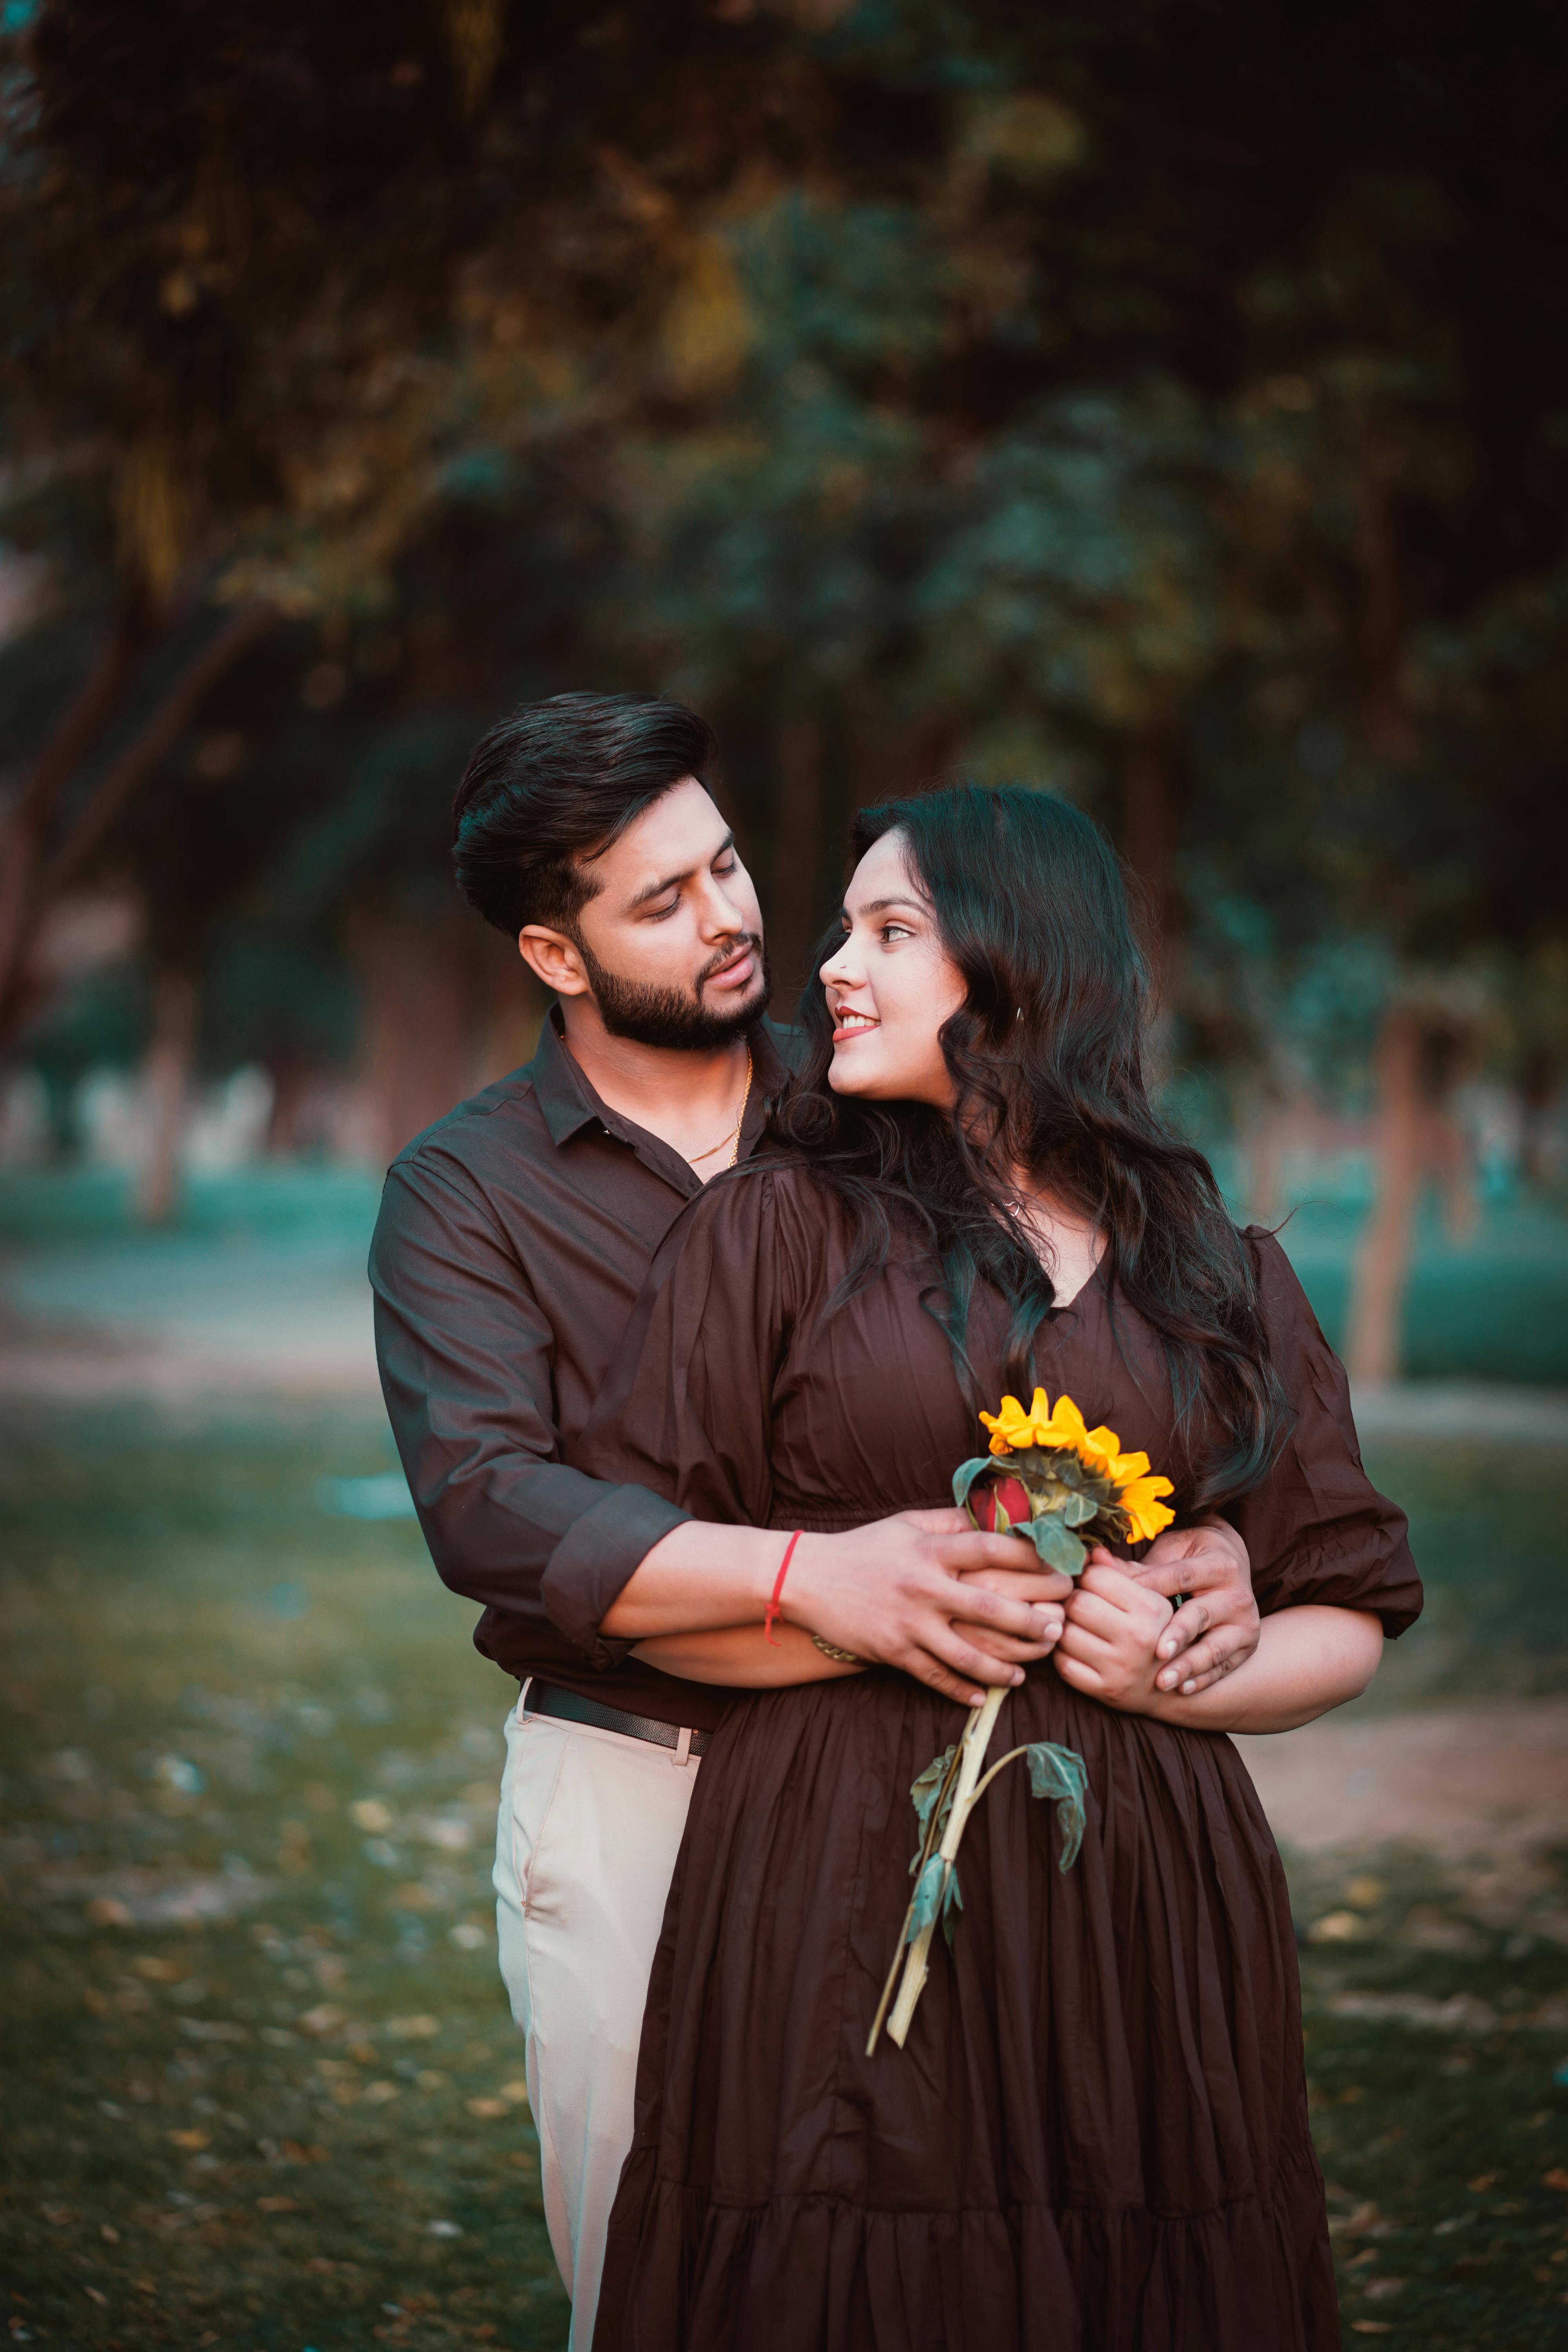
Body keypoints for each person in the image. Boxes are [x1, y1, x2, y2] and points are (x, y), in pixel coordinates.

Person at [369, 698, 1259, 2348]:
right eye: (660, 901)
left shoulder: (877, 1083)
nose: (730, 921)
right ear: (556, 958)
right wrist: (813, 1576)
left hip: (899, 1774)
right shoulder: (464, 1189)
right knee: (670, 2279)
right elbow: (493, 1506)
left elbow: (1065, 1337)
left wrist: (1210, 1545)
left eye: (724, 865)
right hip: (638, 1767)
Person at [577, 782, 1423, 2352]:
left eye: (889, 930)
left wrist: (1188, 1667)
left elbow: (1346, 1612)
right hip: (837, 1875)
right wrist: (845, 1604)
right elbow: (629, 1574)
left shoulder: (1215, 1274)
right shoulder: (774, 1234)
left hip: (1144, 1918)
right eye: (843, 925)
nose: (832, 961)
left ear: (1021, 969)